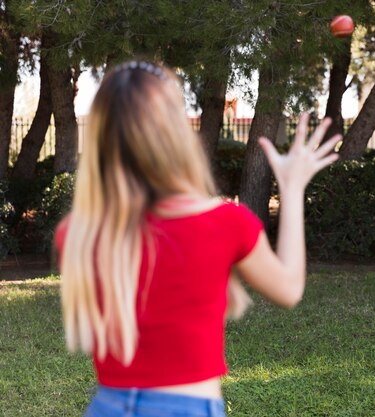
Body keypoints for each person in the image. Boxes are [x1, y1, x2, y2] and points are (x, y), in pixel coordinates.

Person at [54, 60, 341, 417]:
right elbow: (289, 289)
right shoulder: (225, 223)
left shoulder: (79, 235)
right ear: (175, 134)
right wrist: (292, 187)